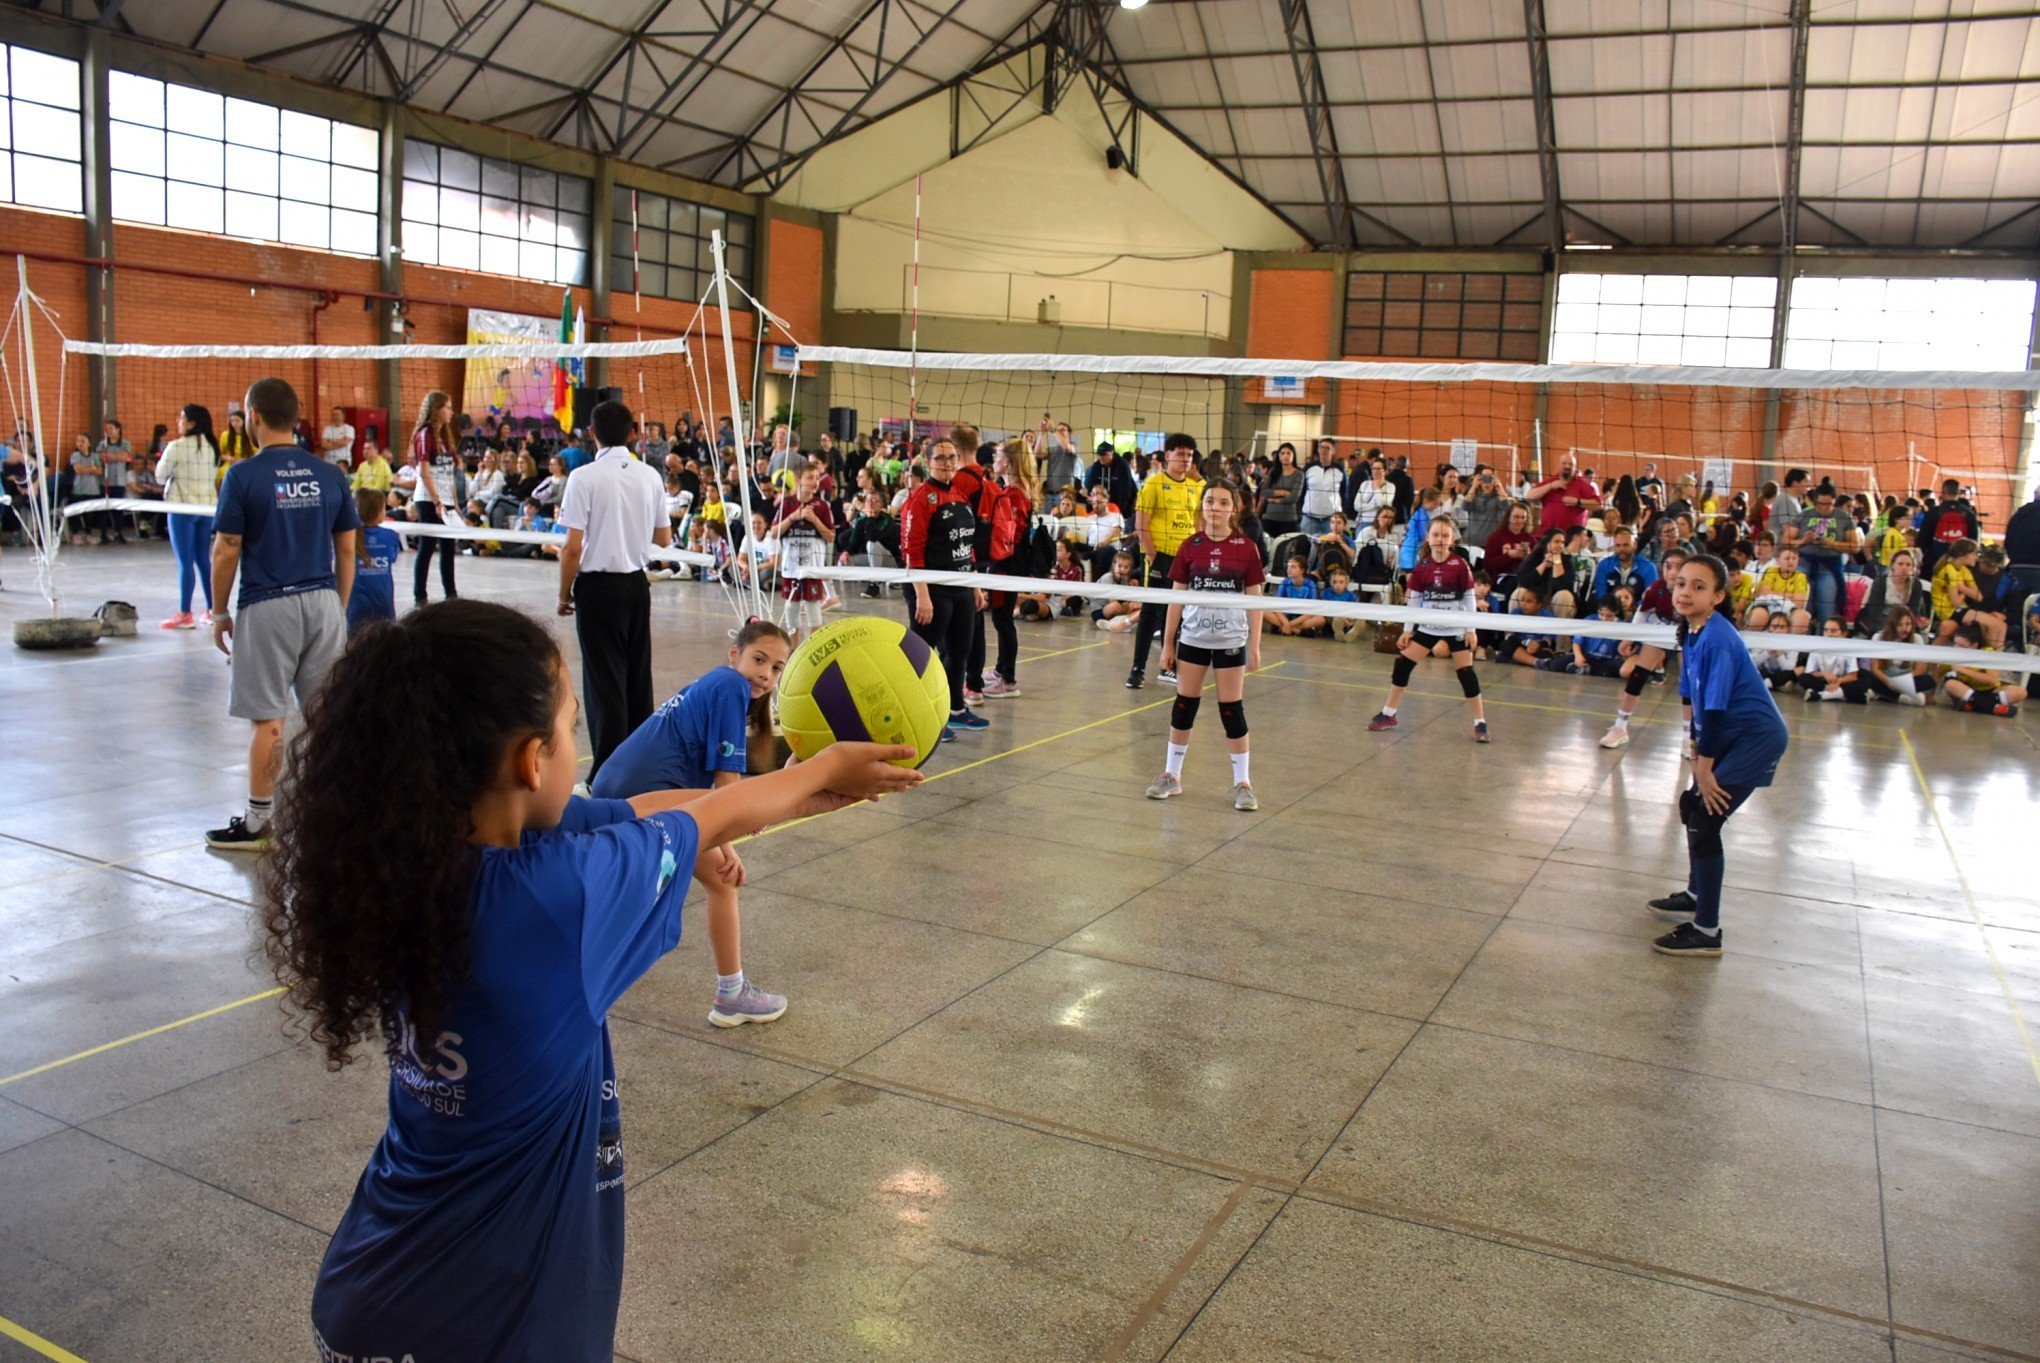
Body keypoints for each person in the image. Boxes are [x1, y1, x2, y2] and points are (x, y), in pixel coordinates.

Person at [263, 600, 917, 1363]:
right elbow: (711, 813)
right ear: (529, 760)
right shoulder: (554, 899)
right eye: (574, 726)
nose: (579, 744)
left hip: (375, 1281)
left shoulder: (418, 857)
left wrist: (764, 803)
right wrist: (821, 769)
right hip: (484, 1328)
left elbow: (640, 810)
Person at [592, 619, 797, 1026]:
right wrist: (728, 847)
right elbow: (727, 789)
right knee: (723, 879)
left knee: (619, 891)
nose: (765, 674)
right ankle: (731, 994)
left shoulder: (719, 685)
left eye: (776, 668)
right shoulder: (730, 688)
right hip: (643, 794)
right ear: (734, 654)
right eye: (759, 659)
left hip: (615, 786)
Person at [205, 377, 359, 852]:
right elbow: (349, 550)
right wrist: (338, 607)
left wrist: (217, 613)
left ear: (252, 415)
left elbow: (226, 550)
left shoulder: (242, 476)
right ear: (296, 418)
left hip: (269, 603)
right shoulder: (331, 474)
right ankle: (338, 816)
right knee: (326, 717)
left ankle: (259, 823)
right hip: (323, 600)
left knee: (269, 721)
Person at [1647, 555, 1791, 957]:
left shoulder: (1718, 638)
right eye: (1681, 584)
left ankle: (1706, 931)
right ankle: (1696, 894)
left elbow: (1714, 710)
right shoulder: (1692, 633)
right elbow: (1693, 703)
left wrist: (1705, 768)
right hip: (1727, 734)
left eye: (1698, 587)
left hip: (1754, 738)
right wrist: (1697, 762)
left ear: (1718, 596)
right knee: (1691, 804)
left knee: (1706, 821)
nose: (1685, 592)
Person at [556, 399, 670, 781]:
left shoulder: (583, 478)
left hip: (598, 588)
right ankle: (641, 768)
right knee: (637, 678)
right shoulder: (651, 476)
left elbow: (572, 547)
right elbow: (664, 538)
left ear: (591, 434)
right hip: (636, 586)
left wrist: (563, 593)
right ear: (633, 432)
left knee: (605, 682)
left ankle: (607, 775)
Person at [1145, 481, 1265, 810]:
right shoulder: (1190, 546)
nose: (1215, 507)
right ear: (1203, 506)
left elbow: (1256, 603)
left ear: (1233, 509)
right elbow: (1175, 600)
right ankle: (1172, 776)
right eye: (1210, 501)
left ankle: (1243, 783)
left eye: (1223, 502)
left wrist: (1254, 646)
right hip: (1194, 638)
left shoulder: (1246, 547)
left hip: (1229, 640)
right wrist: (1168, 644)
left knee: (1231, 709)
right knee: (1185, 704)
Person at [1368, 517, 1488, 742]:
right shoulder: (1423, 565)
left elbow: (1470, 598)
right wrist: (1407, 629)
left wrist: (1471, 629)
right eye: (1436, 535)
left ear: (1452, 539)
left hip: (1455, 628)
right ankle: (1389, 714)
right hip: (1428, 627)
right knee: (1402, 663)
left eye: (1445, 535)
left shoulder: (1460, 565)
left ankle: (1480, 722)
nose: (1440, 540)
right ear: (1428, 537)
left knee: (1466, 673)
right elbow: (1414, 599)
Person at [899, 437, 988, 740]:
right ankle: (922, 716)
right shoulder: (920, 499)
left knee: (959, 652)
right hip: (931, 589)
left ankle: (957, 710)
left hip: (960, 586)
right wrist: (922, 594)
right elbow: (912, 551)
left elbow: (967, 545)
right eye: (941, 458)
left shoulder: (961, 495)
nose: (948, 463)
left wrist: (974, 585)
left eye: (952, 457)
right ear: (928, 462)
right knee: (923, 655)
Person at [1127, 434, 1206, 690]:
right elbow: (1141, 525)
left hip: (1185, 558)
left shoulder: (1196, 487)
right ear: (1168, 455)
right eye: (1181, 454)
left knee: (1177, 613)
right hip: (1159, 556)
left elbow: (1198, 525)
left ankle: (1167, 666)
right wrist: (1152, 557)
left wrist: (1198, 553)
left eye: (1190, 456)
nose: (1186, 460)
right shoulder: (1153, 485)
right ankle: (1137, 669)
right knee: (1151, 612)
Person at [1598, 550, 1688, 751]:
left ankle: (1689, 736)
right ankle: (1620, 727)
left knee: (1688, 683)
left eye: (1678, 567)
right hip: (1660, 631)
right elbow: (1642, 612)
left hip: (1686, 634)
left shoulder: (1690, 591)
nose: (1672, 572)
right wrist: (1629, 637)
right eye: (1668, 566)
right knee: (1637, 675)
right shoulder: (1656, 589)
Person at [977, 438, 1041, 699]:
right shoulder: (1013, 489)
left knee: (1003, 620)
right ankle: (1001, 668)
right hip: (1006, 563)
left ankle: (1009, 679)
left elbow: (1009, 536)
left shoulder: (1014, 493)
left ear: (1010, 461)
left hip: (1007, 564)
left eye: (999, 455)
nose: (994, 460)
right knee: (1001, 618)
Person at [156, 403, 220, 630]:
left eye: (182, 417)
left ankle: (185, 613)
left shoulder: (176, 446)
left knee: (185, 562)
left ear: (192, 423)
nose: (178, 421)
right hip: (206, 510)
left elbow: (159, 476)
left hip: (182, 510)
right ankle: (213, 610)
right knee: (203, 560)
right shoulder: (213, 447)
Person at [410, 391, 467, 605]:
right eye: (448, 407)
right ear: (436, 410)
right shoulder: (425, 435)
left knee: (448, 547)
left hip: (445, 500)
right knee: (427, 546)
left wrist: (454, 504)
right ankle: (420, 596)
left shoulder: (444, 437)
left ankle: (451, 595)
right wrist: (436, 501)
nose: (451, 412)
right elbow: (424, 472)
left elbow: (448, 474)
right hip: (427, 499)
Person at [771, 461, 837, 641]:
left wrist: (814, 519)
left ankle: (812, 647)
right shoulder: (787, 504)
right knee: (791, 607)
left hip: (813, 568)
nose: (815, 482)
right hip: (790, 567)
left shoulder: (822, 506)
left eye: (817, 477)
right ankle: (793, 648)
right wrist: (794, 517)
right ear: (798, 480)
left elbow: (831, 537)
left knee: (813, 607)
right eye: (810, 478)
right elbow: (774, 532)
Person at [1793, 484, 1859, 623]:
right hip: (1804, 566)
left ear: (1834, 502)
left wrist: (1833, 544)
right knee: (1803, 609)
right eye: (1820, 504)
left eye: (1828, 504)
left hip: (1830, 567)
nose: (1823, 508)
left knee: (1827, 611)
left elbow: (1855, 547)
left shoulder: (1843, 517)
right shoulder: (1804, 515)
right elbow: (1786, 541)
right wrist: (1803, 540)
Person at [346, 488, 402, 635]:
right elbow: (393, 557)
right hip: (382, 598)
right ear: (377, 512)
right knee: (385, 637)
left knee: (354, 640)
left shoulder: (348, 537)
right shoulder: (390, 536)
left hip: (355, 601)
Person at [1941, 621, 2026, 716]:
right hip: (1966, 691)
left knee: (2021, 692)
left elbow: (1992, 680)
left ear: (1974, 645)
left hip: (1987, 691)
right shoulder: (1952, 654)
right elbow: (1939, 673)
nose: (1956, 648)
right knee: (1950, 684)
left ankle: (1975, 705)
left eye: (1961, 645)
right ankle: (1993, 707)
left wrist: (1963, 670)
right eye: (1955, 643)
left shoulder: (1987, 654)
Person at [1524, 453, 1599, 533]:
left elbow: (1598, 505)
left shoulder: (1582, 485)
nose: (1567, 466)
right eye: (1564, 463)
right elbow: (1529, 496)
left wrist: (1578, 502)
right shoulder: (1550, 481)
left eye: (1571, 464)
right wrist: (1551, 486)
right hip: (1547, 536)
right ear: (1558, 465)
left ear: (1575, 468)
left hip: (1572, 538)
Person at [96, 419, 133, 543]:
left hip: (119, 480)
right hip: (105, 480)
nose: (109, 431)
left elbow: (124, 456)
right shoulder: (102, 444)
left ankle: (119, 532)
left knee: (118, 508)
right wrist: (115, 457)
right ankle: (103, 533)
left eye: (111, 428)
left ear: (118, 429)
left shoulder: (125, 443)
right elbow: (101, 457)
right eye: (107, 429)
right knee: (103, 509)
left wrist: (110, 457)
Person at [1298, 438, 1342, 537]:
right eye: (1321, 447)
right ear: (1318, 449)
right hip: (1309, 519)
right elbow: (1301, 491)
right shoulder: (1309, 468)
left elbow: (1344, 494)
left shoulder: (1340, 470)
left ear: (1333, 451)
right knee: (1305, 548)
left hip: (1330, 520)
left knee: (1329, 549)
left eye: (1327, 448)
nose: (1324, 450)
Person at [320, 406, 356, 470]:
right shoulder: (327, 429)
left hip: (343, 462)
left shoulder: (349, 429)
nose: (335, 417)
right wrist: (339, 442)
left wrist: (330, 441)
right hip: (328, 462)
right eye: (333, 415)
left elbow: (344, 442)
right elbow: (324, 444)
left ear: (343, 416)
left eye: (337, 414)